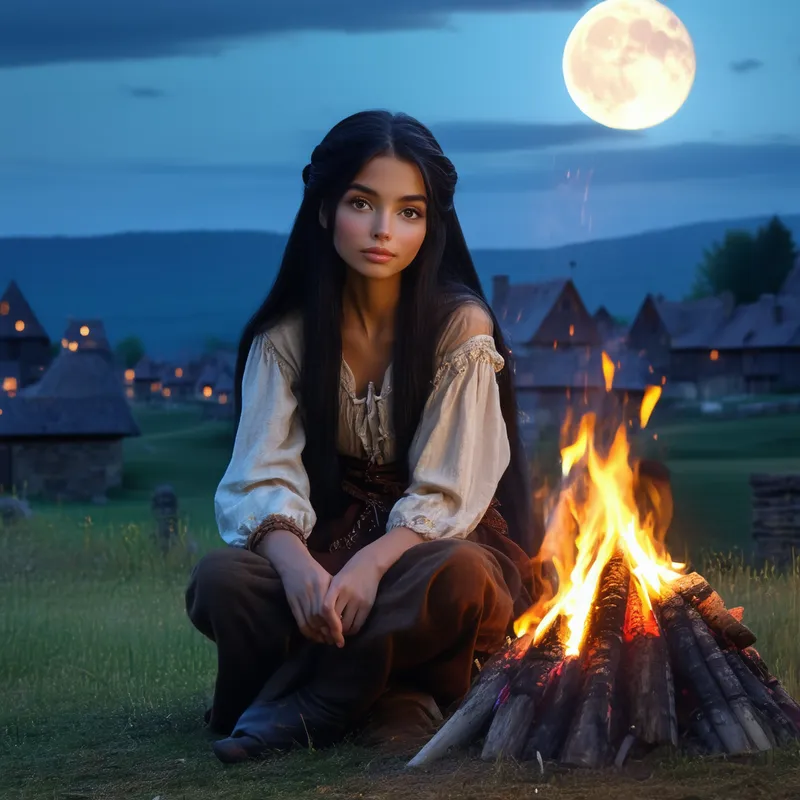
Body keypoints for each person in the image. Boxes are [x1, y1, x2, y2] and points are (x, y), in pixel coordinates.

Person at [185, 110, 543, 764]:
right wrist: (297, 569)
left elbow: (450, 492)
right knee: (220, 580)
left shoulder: (459, 325)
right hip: (325, 544)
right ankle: (394, 698)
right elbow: (262, 475)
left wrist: (373, 566)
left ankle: (309, 704)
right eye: (361, 204)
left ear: (432, 223)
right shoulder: (286, 337)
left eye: (409, 212)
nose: (384, 231)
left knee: (461, 578)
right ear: (324, 211)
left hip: (431, 550)